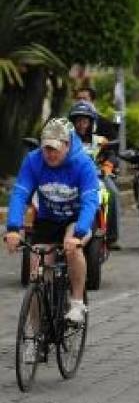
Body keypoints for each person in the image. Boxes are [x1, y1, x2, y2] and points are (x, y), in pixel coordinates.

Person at [4, 119, 99, 329]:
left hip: (76, 218)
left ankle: (76, 303)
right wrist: (12, 228)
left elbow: (91, 201)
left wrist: (79, 233)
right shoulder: (33, 161)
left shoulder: (83, 164)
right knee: (36, 272)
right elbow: (20, 194)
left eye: (55, 148)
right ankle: (36, 334)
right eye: (46, 148)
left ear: (67, 144)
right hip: (48, 218)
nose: (50, 154)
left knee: (72, 249)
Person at [68, 101, 122, 250]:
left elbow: (111, 153)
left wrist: (107, 166)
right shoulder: (66, 141)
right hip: (68, 178)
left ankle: (111, 237)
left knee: (112, 193)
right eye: (78, 121)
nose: (81, 125)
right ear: (72, 123)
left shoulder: (98, 140)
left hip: (95, 177)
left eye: (85, 121)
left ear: (91, 122)